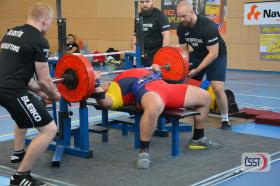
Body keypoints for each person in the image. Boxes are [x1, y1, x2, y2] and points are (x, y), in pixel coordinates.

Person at [93, 65, 220, 169]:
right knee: (154, 107)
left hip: (167, 88)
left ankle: (197, 138)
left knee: (205, 96)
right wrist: (96, 83)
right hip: (148, 91)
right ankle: (144, 152)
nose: (105, 83)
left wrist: (157, 71)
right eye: (102, 85)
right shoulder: (115, 89)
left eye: (103, 83)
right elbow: (105, 102)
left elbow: (160, 75)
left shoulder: (133, 73)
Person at [0, 2, 61, 185]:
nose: (49, 26)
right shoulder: (40, 41)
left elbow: (16, 68)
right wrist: (54, 94)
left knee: (25, 114)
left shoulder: (11, 32)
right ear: (44, 21)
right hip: (11, 90)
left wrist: (38, 92)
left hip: (6, 85)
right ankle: (21, 176)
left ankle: (18, 153)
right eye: (50, 22)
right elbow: (44, 80)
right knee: (49, 129)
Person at [176, 0, 231, 130]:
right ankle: (179, 113)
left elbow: (213, 53)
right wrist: (185, 67)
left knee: (217, 88)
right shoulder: (181, 27)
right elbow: (184, 50)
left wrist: (197, 69)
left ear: (192, 12)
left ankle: (225, 119)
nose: (182, 19)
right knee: (183, 81)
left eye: (184, 16)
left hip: (217, 55)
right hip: (198, 54)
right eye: (179, 16)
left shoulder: (208, 26)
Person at [132, 0, 170, 67]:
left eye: (147, 1)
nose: (144, 4)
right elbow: (135, 36)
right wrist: (135, 55)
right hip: (143, 53)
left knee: (156, 76)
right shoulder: (138, 17)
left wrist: (162, 56)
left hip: (156, 53)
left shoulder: (160, 16)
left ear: (152, 2)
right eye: (142, 2)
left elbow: (166, 35)